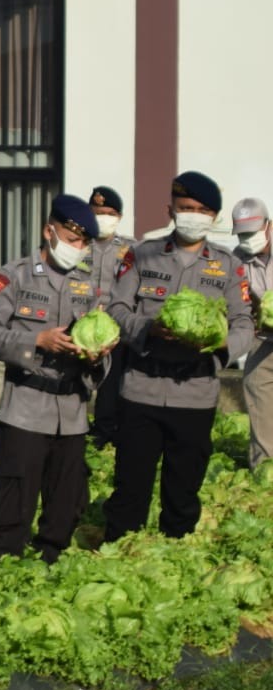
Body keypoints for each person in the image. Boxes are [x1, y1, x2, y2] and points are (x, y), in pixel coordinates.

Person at [105, 171, 254, 543]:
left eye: (203, 210)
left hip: (195, 391)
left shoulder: (229, 266)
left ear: (214, 217)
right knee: (130, 487)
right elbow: (117, 308)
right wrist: (146, 328)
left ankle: (174, 551)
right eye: (186, 208)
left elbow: (244, 324)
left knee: (183, 490)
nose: (193, 215)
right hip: (142, 388)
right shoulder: (142, 253)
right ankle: (123, 551)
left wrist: (219, 344)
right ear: (170, 209)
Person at [0, 195, 106, 564]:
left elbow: (103, 347)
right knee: (13, 502)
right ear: (50, 231)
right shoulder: (13, 276)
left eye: (84, 243)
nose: (78, 249)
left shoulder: (89, 287)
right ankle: (5, 570)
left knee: (66, 504)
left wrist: (97, 356)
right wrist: (36, 340)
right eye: (72, 238)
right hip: (26, 409)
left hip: (72, 410)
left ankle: (50, 564)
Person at [86, 186, 136, 448]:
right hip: (80, 324)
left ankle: (106, 430)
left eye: (109, 213)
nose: (103, 217)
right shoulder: (77, 245)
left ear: (119, 216)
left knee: (111, 381)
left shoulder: (132, 249)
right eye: (98, 212)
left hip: (115, 329)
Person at [232, 197, 273, 467]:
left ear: (268, 226)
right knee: (256, 384)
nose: (248, 239)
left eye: (253, 232)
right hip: (265, 337)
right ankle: (265, 463)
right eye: (243, 234)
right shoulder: (237, 259)